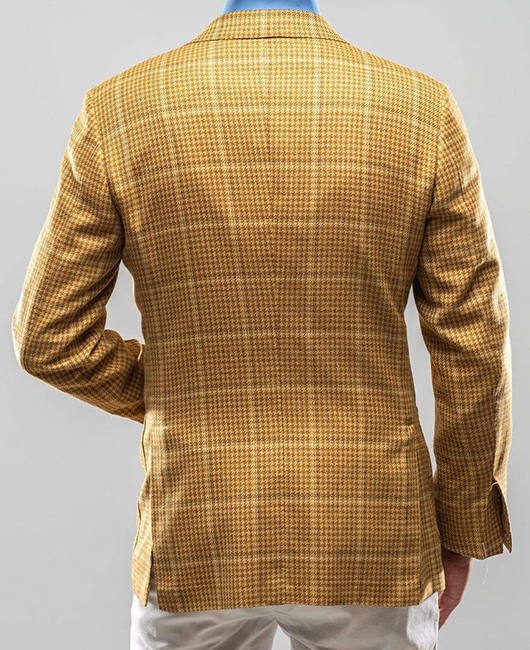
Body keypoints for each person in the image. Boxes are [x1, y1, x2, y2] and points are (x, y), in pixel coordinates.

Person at [11, 1, 513, 648]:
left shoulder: (118, 112)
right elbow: (474, 347)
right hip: (372, 526)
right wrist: (465, 527)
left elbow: (47, 337)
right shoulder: (421, 111)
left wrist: (180, 389)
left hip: (198, 519)